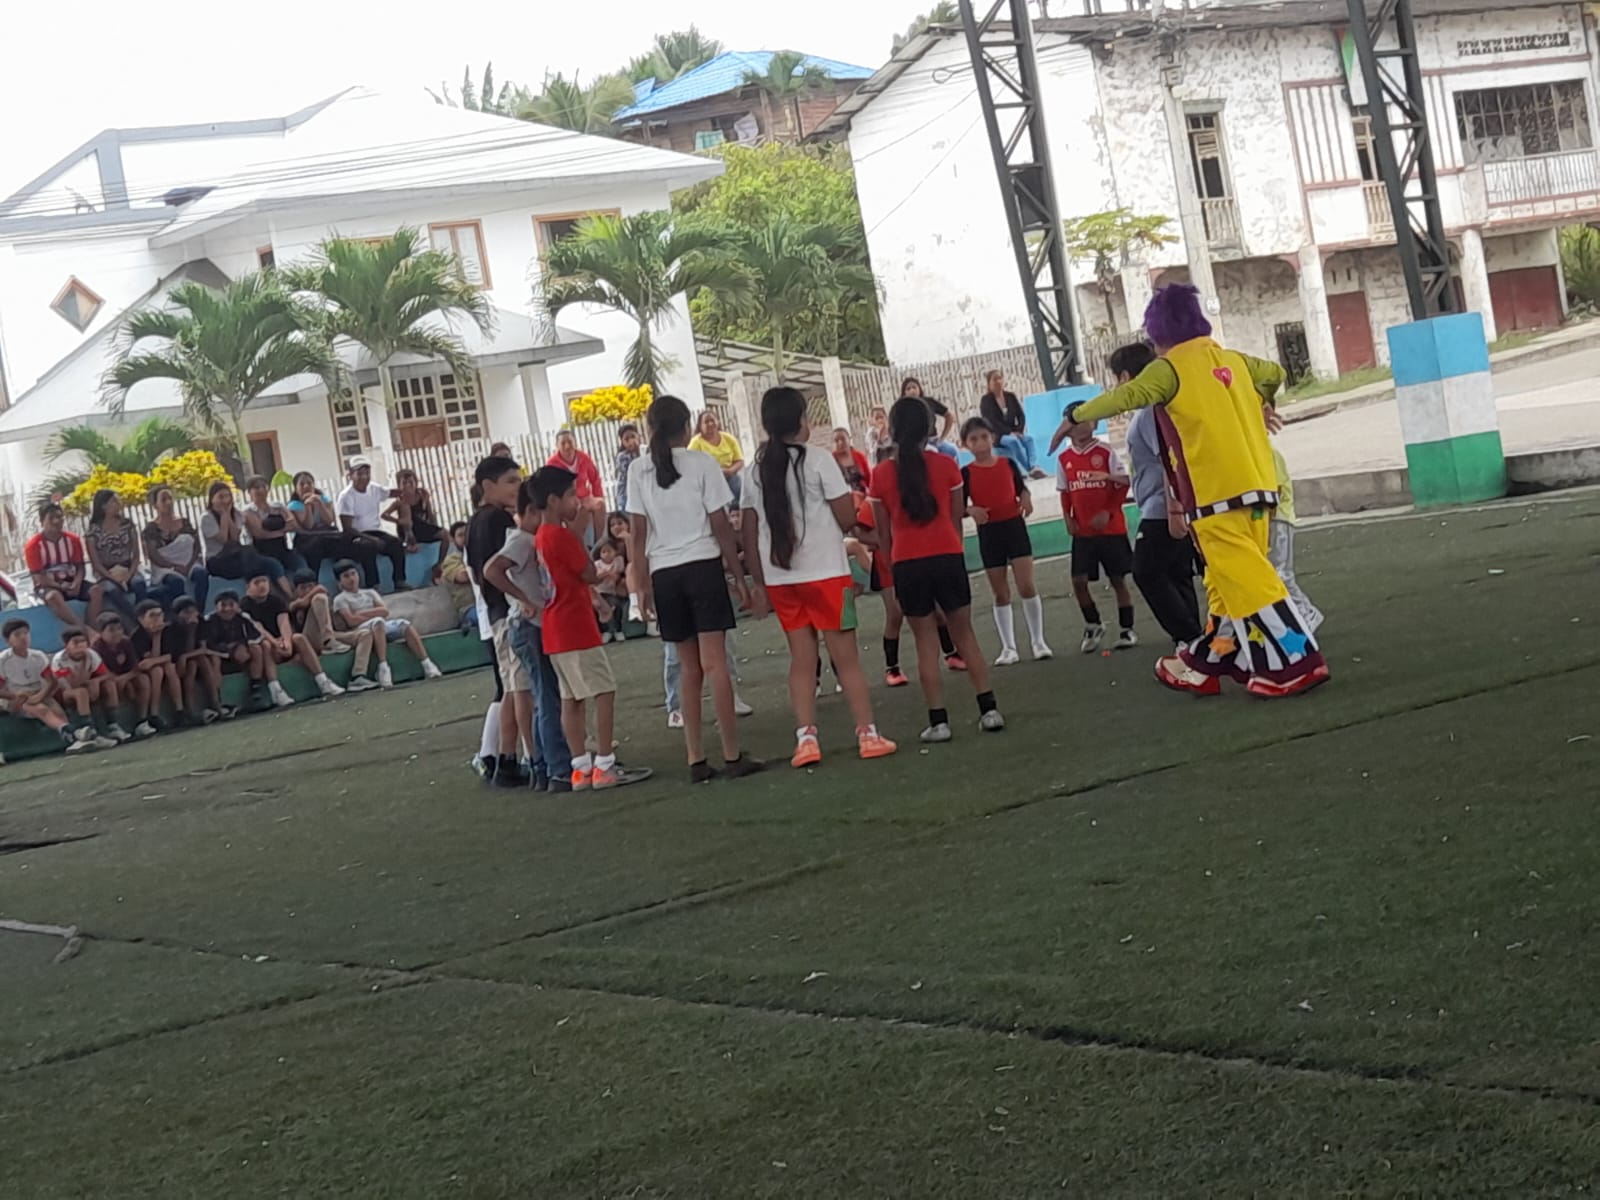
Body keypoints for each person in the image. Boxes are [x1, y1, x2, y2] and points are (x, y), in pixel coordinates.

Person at [1062, 283, 1329, 698]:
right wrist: (1264, 401)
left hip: (1214, 497)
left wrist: (1076, 415)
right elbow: (1275, 374)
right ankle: (1210, 660)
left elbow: (1126, 396)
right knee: (1223, 582)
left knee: (1250, 580)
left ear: (1159, 333)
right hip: (1260, 491)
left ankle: (1298, 662)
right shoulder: (1235, 360)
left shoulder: (1169, 369)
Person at [742, 386, 897, 768]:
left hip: (781, 579)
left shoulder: (753, 471)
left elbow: (748, 529)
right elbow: (846, 518)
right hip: (828, 575)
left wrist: (758, 582)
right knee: (847, 659)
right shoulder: (818, 460)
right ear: (800, 422)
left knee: (801, 659)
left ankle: (806, 739)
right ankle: (867, 735)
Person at [627, 394, 764, 782]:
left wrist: (640, 586)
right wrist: (738, 576)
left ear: (650, 428)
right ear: (687, 429)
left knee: (688, 669)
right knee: (715, 664)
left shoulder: (638, 469)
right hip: (702, 567)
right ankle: (732, 754)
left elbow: (637, 532)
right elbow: (720, 524)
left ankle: (695, 759)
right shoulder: (702, 463)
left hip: (664, 573)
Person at [870, 398, 1005, 743]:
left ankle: (939, 721)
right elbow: (956, 517)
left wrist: (894, 567)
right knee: (965, 634)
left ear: (893, 430)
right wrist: (952, 550)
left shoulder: (881, 474)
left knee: (925, 643)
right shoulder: (947, 465)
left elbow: (883, 534)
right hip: (947, 555)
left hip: (907, 562)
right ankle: (989, 709)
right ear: (929, 428)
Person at [531, 466, 622, 790]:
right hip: (575, 626)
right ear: (553, 501)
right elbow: (589, 573)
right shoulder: (560, 536)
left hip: (556, 629)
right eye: (571, 495)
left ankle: (580, 767)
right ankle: (604, 763)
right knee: (603, 690)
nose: (578, 501)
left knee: (571, 698)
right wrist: (580, 531)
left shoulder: (542, 535)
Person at [482, 479, 571, 793]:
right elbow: (491, 569)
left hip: (532, 624)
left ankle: (542, 767)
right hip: (528, 625)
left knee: (542, 696)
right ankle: (556, 767)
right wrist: (523, 598)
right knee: (546, 697)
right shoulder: (521, 540)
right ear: (532, 511)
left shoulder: (527, 539)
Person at [1116, 343, 1204, 648]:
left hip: (1162, 507)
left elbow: (1170, 459)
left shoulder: (1149, 413)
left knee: (1146, 571)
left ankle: (1189, 636)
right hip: (1165, 503)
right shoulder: (1153, 410)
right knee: (1178, 572)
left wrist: (1174, 508)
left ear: (1125, 377)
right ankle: (1194, 642)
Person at [961, 418, 1051, 665]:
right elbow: (958, 507)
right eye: (973, 439)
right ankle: (1009, 647)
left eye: (984, 437)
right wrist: (971, 510)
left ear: (992, 437)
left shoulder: (1008, 463)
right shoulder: (966, 473)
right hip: (989, 532)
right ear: (965, 445)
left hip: (1014, 527)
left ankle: (1038, 641)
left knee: (1026, 585)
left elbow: (1022, 488)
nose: (980, 443)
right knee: (1000, 592)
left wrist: (1026, 497)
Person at [465, 455, 527, 786]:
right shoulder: (497, 520)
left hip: (494, 611)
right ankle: (520, 757)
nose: (518, 487)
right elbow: (499, 569)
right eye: (511, 481)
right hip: (507, 610)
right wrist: (522, 598)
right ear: (488, 485)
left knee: (510, 688)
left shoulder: (476, 522)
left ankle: (506, 757)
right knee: (519, 688)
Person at [1056, 410, 1138, 654]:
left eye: (1086, 420)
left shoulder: (1106, 452)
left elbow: (1123, 483)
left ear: (1095, 423)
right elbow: (1065, 491)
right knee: (1078, 581)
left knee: (1118, 579)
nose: (1081, 426)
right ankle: (1093, 624)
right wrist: (1067, 517)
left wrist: (1108, 512)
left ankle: (1127, 629)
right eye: (1075, 422)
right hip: (1083, 532)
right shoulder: (1064, 458)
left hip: (1111, 530)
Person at [331, 563, 443, 689]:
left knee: (404, 624)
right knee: (378, 621)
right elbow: (351, 621)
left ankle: (427, 663)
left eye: (353, 574)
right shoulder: (340, 599)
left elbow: (384, 611)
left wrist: (359, 613)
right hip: (360, 630)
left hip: (379, 625)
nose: (352, 579)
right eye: (346, 576)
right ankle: (383, 666)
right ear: (339, 581)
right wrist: (372, 614)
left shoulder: (370, 593)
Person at [242, 572, 345, 700]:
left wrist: (286, 642)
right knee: (266, 645)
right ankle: (276, 690)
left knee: (298, 638)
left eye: (264, 581)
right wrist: (275, 643)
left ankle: (323, 681)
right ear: (248, 587)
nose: (262, 585)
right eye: (257, 582)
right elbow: (258, 628)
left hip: (281, 644)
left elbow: (284, 622)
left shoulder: (276, 600)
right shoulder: (245, 605)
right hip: (264, 645)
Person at [0, 618, 87, 753]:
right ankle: (75, 733)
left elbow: (52, 682)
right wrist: (15, 695)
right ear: (8, 641)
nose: (23, 637)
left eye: (26, 633)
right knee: (41, 710)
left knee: (59, 713)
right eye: (17, 635)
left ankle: (75, 740)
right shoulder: (3, 660)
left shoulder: (38, 656)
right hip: (15, 696)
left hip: (39, 692)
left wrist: (40, 696)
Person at [289, 569, 380, 693]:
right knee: (320, 598)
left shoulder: (322, 601)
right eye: (303, 588)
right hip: (308, 642)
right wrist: (307, 599)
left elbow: (322, 589)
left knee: (365, 634)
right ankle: (328, 641)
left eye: (310, 586)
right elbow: (316, 593)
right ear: (295, 590)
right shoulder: (292, 605)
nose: (307, 590)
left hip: (331, 636)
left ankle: (358, 676)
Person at [1268, 442, 1324, 634]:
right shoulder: (1258, 450)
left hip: (1279, 519)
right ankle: (1290, 615)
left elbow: (1275, 490)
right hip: (1270, 521)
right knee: (1272, 574)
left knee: (1281, 573)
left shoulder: (1268, 452)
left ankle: (1307, 612)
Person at [204, 589, 292, 710]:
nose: (227, 609)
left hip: (242, 656)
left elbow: (256, 636)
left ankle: (256, 692)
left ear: (237, 606)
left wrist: (242, 645)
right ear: (216, 607)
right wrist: (232, 650)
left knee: (257, 648)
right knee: (214, 659)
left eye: (231, 604)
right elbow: (208, 645)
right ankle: (217, 701)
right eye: (223, 605)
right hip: (220, 656)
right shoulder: (209, 620)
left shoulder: (243, 617)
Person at [201, 482, 291, 597]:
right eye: (220, 497)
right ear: (212, 499)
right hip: (217, 559)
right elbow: (223, 539)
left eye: (227, 496)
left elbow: (235, 537)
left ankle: (288, 596)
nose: (224, 500)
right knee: (254, 569)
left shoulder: (236, 514)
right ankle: (264, 596)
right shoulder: (206, 518)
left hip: (237, 555)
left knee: (272, 564)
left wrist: (228, 516)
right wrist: (223, 515)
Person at [288, 471, 379, 585]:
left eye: (309, 483)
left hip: (327, 535)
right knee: (316, 548)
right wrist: (308, 506)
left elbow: (329, 520)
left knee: (362, 545)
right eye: (302, 484)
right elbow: (308, 526)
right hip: (307, 539)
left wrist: (318, 503)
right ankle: (314, 584)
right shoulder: (294, 505)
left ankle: (372, 582)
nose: (306, 486)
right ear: (296, 488)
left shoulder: (323, 499)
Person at [336, 456, 410, 590]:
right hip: (356, 536)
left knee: (396, 544)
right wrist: (372, 539)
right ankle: (373, 585)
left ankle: (399, 581)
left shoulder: (374, 489)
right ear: (350, 475)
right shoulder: (346, 496)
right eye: (359, 474)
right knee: (367, 547)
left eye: (367, 473)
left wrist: (409, 491)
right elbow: (348, 529)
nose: (364, 477)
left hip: (375, 532)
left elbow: (391, 493)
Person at [49, 626, 132, 743]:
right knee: (81, 692)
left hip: (85, 685)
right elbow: (73, 684)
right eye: (75, 642)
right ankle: (91, 732)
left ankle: (113, 726)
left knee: (109, 685)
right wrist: (84, 664)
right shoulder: (60, 660)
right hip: (64, 692)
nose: (80, 646)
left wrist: (95, 681)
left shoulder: (92, 654)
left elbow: (107, 674)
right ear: (66, 645)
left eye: (83, 641)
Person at [25, 503, 100, 626]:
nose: (56, 521)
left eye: (59, 517)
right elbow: (38, 577)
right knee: (53, 597)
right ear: (42, 522)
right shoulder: (33, 546)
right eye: (51, 518)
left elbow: (80, 567)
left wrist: (77, 583)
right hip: (48, 585)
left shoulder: (73, 540)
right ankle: (84, 629)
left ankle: (92, 624)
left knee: (96, 591)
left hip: (72, 581)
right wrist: (60, 586)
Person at [85, 489, 149, 629]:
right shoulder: (93, 531)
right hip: (106, 572)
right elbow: (96, 563)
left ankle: (145, 613)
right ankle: (137, 621)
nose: (118, 503)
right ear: (104, 506)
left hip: (128, 567)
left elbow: (136, 554)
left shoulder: (127, 525)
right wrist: (114, 578)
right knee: (113, 590)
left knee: (139, 583)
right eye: (114, 501)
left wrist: (129, 574)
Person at [143, 487, 209, 610]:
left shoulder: (184, 522)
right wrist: (173, 566)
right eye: (163, 500)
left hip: (188, 562)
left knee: (202, 574)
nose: (168, 502)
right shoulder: (151, 529)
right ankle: (182, 611)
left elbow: (196, 545)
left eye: (170, 498)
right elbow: (153, 555)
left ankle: (199, 610)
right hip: (165, 568)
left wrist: (189, 564)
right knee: (175, 582)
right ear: (155, 505)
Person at [240, 475, 310, 585]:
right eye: (257, 488)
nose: (261, 490)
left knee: (301, 564)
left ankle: (307, 588)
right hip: (261, 551)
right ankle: (289, 593)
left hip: (282, 547)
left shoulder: (278, 506)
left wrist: (273, 530)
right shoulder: (248, 511)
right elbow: (260, 533)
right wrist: (283, 529)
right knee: (276, 567)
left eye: (264, 486)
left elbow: (293, 525)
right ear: (249, 492)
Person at [93, 613, 155, 737]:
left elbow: (136, 668)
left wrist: (125, 679)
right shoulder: (97, 648)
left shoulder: (126, 643)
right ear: (101, 633)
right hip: (106, 680)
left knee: (144, 679)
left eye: (119, 629)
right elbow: (103, 673)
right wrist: (121, 680)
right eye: (111, 630)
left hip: (125, 677)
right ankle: (113, 726)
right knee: (110, 685)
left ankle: (142, 721)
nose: (117, 633)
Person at [129, 601, 189, 728]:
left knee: (170, 668)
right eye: (152, 615)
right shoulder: (137, 636)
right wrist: (156, 638)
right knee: (157, 671)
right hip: (144, 672)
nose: (157, 619)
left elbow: (170, 656)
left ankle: (180, 710)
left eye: (160, 614)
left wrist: (154, 659)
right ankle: (154, 713)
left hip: (165, 667)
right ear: (141, 619)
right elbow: (146, 663)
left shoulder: (169, 630)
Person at [169, 597, 229, 720]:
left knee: (202, 660)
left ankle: (216, 703)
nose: (191, 615)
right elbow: (179, 653)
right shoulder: (172, 629)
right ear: (178, 615)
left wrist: (186, 655)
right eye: (186, 612)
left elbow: (203, 649)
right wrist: (190, 632)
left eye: (193, 611)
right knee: (192, 665)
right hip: (178, 664)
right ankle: (190, 708)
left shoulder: (201, 623)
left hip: (194, 658)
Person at [979, 369, 1045, 478]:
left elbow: (1021, 415)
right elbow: (991, 421)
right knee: (1013, 441)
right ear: (989, 383)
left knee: (1029, 439)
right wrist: (1009, 433)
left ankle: (1034, 465)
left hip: (1014, 431)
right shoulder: (986, 401)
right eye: (994, 379)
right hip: (998, 435)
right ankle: (1030, 469)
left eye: (1000, 378)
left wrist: (1019, 431)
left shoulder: (1010, 396)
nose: (998, 381)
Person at [546, 430, 607, 547]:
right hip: (566, 500)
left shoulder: (584, 457)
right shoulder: (552, 464)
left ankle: (599, 543)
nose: (567, 446)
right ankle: (581, 545)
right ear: (557, 446)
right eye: (563, 443)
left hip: (585, 498)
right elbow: (550, 488)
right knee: (581, 512)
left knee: (600, 504)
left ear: (575, 442)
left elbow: (595, 479)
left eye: (570, 442)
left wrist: (598, 495)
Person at [383, 468, 448, 576]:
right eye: (404, 483)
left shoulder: (422, 495)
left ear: (416, 483)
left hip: (421, 527)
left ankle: (439, 564)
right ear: (399, 486)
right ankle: (409, 542)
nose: (408, 486)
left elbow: (430, 513)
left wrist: (435, 527)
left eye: (411, 482)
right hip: (407, 529)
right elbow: (385, 515)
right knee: (406, 513)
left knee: (445, 535)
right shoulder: (400, 501)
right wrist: (398, 521)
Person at [687, 410, 747, 506]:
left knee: (738, 485)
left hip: (729, 476)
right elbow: (691, 466)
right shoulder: (695, 443)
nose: (710, 424)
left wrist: (730, 471)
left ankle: (738, 508)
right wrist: (714, 473)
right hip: (708, 480)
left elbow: (739, 461)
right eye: (706, 422)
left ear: (718, 422)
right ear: (700, 426)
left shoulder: (729, 438)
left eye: (712, 420)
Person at [899, 377, 958, 461]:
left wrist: (942, 437)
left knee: (952, 451)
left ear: (919, 389)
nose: (912, 390)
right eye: (908, 389)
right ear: (904, 393)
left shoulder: (929, 402)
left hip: (934, 440)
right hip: (917, 445)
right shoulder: (902, 408)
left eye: (914, 387)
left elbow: (949, 416)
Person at [437, 522, 477, 633]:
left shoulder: (479, 553)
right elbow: (463, 577)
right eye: (460, 535)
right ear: (453, 539)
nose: (465, 538)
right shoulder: (451, 560)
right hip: (469, 608)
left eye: (467, 534)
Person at [593, 540, 627, 643]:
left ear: (615, 551)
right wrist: (605, 574)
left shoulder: (618, 561)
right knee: (601, 608)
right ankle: (606, 631)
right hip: (600, 592)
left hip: (612, 591)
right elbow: (595, 578)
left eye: (609, 551)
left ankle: (618, 630)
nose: (607, 554)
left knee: (617, 606)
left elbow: (620, 574)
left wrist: (616, 577)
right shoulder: (597, 564)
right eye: (604, 552)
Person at [831, 427, 872, 494]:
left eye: (843, 439)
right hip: (840, 498)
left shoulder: (860, 457)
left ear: (849, 439)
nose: (840, 443)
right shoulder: (830, 461)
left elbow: (870, 479)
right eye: (836, 440)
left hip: (862, 497)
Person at [614, 424, 641, 512]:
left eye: (633, 436)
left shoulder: (645, 451)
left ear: (638, 436)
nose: (631, 441)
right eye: (626, 439)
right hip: (626, 494)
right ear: (622, 442)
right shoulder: (622, 456)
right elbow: (630, 472)